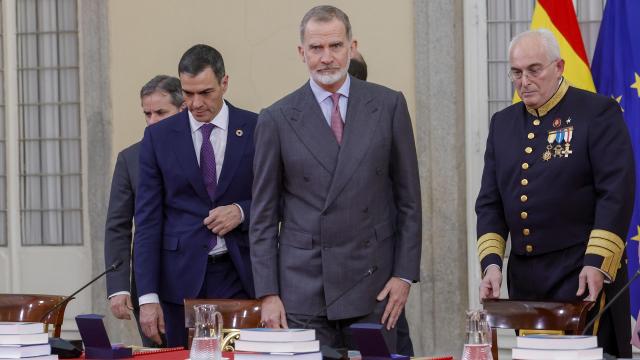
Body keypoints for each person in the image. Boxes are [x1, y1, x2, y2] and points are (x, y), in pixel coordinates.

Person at [250, 5, 422, 351]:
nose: (326, 58)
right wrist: (268, 294)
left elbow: (409, 201)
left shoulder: (388, 105)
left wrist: (403, 276)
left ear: (351, 47)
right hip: (304, 290)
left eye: (335, 46)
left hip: (375, 286)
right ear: (302, 53)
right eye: (316, 48)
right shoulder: (277, 118)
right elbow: (263, 216)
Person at [476, 29, 635, 357]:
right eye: (517, 72)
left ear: (559, 67)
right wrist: (491, 264)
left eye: (534, 70)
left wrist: (597, 263)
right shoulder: (503, 123)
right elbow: (490, 202)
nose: (524, 81)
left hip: (581, 274)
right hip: (527, 282)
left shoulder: (597, 112)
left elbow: (615, 193)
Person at [134, 44, 257, 347]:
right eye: (188, 94)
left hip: (239, 273)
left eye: (205, 92)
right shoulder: (158, 137)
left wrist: (241, 211)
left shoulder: (256, 127)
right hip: (178, 280)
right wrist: (147, 296)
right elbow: (147, 220)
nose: (195, 103)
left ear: (224, 83)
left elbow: (277, 199)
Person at [104, 75, 183, 347]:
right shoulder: (130, 158)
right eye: (147, 114)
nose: (152, 121)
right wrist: (118, 287)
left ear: (182, 110)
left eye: (161, 112)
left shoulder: (201, 149)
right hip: (150, 283)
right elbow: (118, 225)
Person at [346, 48, 414, 357]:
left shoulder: (386, 113)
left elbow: (408, 203)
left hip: (379, 276)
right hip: (327, 282)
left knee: (389, 346)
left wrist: (403, 275)